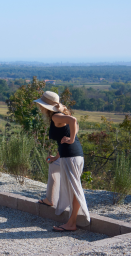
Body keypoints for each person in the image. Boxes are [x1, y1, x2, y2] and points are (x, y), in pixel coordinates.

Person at [34, 91, 90, 232]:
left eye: (41, 105)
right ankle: (50, 199)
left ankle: (71, 223)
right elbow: (64, 137)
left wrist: (71, 139)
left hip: (71, 157)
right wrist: (56, 157)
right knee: (54, 166)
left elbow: (74, 121)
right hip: (68, 156)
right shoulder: (58, 116)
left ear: (45, 106)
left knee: (75, 188)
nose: (39, 107)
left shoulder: (57, 116)